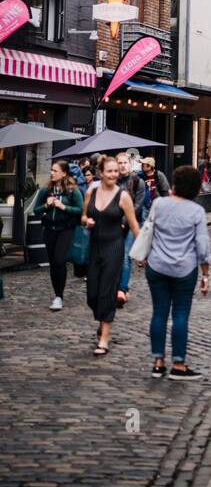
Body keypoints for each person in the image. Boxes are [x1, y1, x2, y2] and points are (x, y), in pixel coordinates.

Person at [144, 164, 211, 380]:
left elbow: (149, 231)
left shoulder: (159, 204)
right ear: (196, 189)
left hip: (157, 266)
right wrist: (205, 274)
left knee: (159, 313)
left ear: (174, 183)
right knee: (180, 315)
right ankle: (179, 365)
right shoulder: (196, 211)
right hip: (184, 269)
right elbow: (202, 245)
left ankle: (157, 363)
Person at [83, 154, 139, 355]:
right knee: (92, 295)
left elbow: (134, 226)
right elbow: (83, 215)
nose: (114, 174)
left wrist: (143, 253)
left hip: (115, 248)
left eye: (116, 171)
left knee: (107, 292)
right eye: (110, 171)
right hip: (95, 247)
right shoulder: (91, 191)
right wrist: (86, 221)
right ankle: (102, 319)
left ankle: (104, 340)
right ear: (101, 173)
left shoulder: (123, 196)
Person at [34, 160, 83, 310]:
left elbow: (80, 210)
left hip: (65, 230)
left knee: (59, 260)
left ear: (64, 173)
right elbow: (36, 210)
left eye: (55, 171)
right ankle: (57, 295)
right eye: (51, 170)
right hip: (49, 229)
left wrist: (63, 206)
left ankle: (59, 297)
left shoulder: (72, 190)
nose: (52, 173)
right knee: (54, 264)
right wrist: (47, 205)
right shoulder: (46, 189)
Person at [117, 151, 148, 307]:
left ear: (130, 164)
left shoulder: (137, 182)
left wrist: (124, 220)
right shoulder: (112, 181)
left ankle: (121, 290)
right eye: (120, 163)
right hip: (113, 224)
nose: (122, 165)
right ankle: (120, 287)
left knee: (125, 256)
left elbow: (137, 205)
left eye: (125, 162)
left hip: (130, 224)